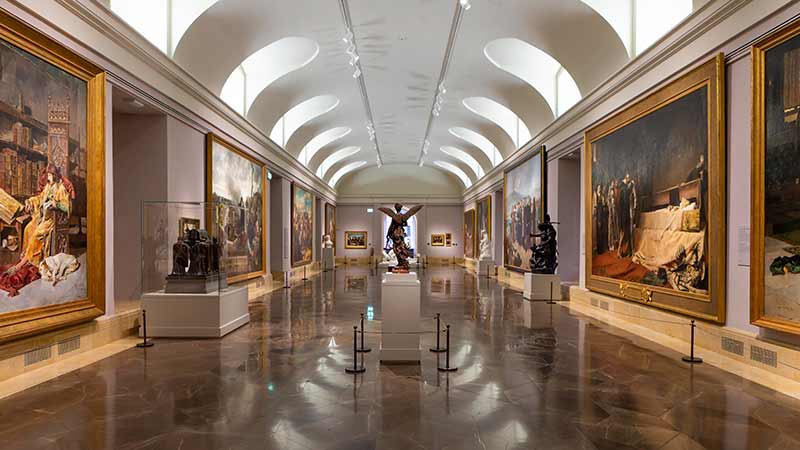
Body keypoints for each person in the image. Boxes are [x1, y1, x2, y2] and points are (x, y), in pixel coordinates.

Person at [378, 203, 423, 272]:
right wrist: (402, 221)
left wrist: (389, 233)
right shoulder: (403, 216)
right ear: (400, 208)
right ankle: (401, 263)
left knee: (397, 249)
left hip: (396, 233)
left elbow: (392, 226)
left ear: (396, 208)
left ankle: (401, 263)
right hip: (400, 233)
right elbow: (405, 224)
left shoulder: (395, 216)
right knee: (399, 248)